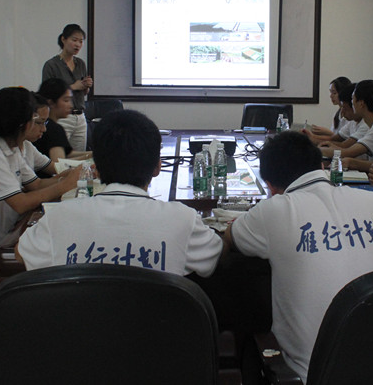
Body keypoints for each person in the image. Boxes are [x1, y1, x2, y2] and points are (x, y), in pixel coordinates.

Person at [223, 131, 373, 382]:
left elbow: (231, 237)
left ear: (270, 186)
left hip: (310, 376)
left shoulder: (272, 210)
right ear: (322, 166)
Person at [17, 109, 223, 277]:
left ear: (94, 168)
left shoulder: (59, 217)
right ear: (157, 167)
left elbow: (20, 253)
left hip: (80, 327)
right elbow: (214, 254)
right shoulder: (183, 219)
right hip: (158, 327)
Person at [0, 87, 80, 286]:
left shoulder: (11, 147)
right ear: (25, 123)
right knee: (58, 272)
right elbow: (20, 203)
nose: (42, 126)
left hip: (5, 240)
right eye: (36, 119)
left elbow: (35, 184)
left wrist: (67, 178)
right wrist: (64, 186)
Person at [42, 24, 93, 152]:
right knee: (61, 156)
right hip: (62, 117)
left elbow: (84, 92)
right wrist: (74, 86)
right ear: (63, 39)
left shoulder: (80, 63)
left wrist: (86, 86)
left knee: (79, 156)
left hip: (80, 116)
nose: (78, 45)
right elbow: (47, 93)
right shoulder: (51, 65)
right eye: (74, 40)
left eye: (81, 41)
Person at [34, 77, 92, 164]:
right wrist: (91, 157)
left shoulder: (52, 126)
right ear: (51, 103)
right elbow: (59, 163)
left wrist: (93, 154)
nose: (71, 105)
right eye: (66, 100)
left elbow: (68, 154)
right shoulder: (53, 128)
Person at [318, 79, 373, 157]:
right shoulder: (370, 124)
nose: (352, 102)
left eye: (353, 99)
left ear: (361, 103)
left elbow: (346, 151)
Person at [22, 92, 56, 176]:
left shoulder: (27, 145)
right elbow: (35, 185)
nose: (44, 129)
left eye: (45, 122)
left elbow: (54, 167)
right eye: (39, 122)